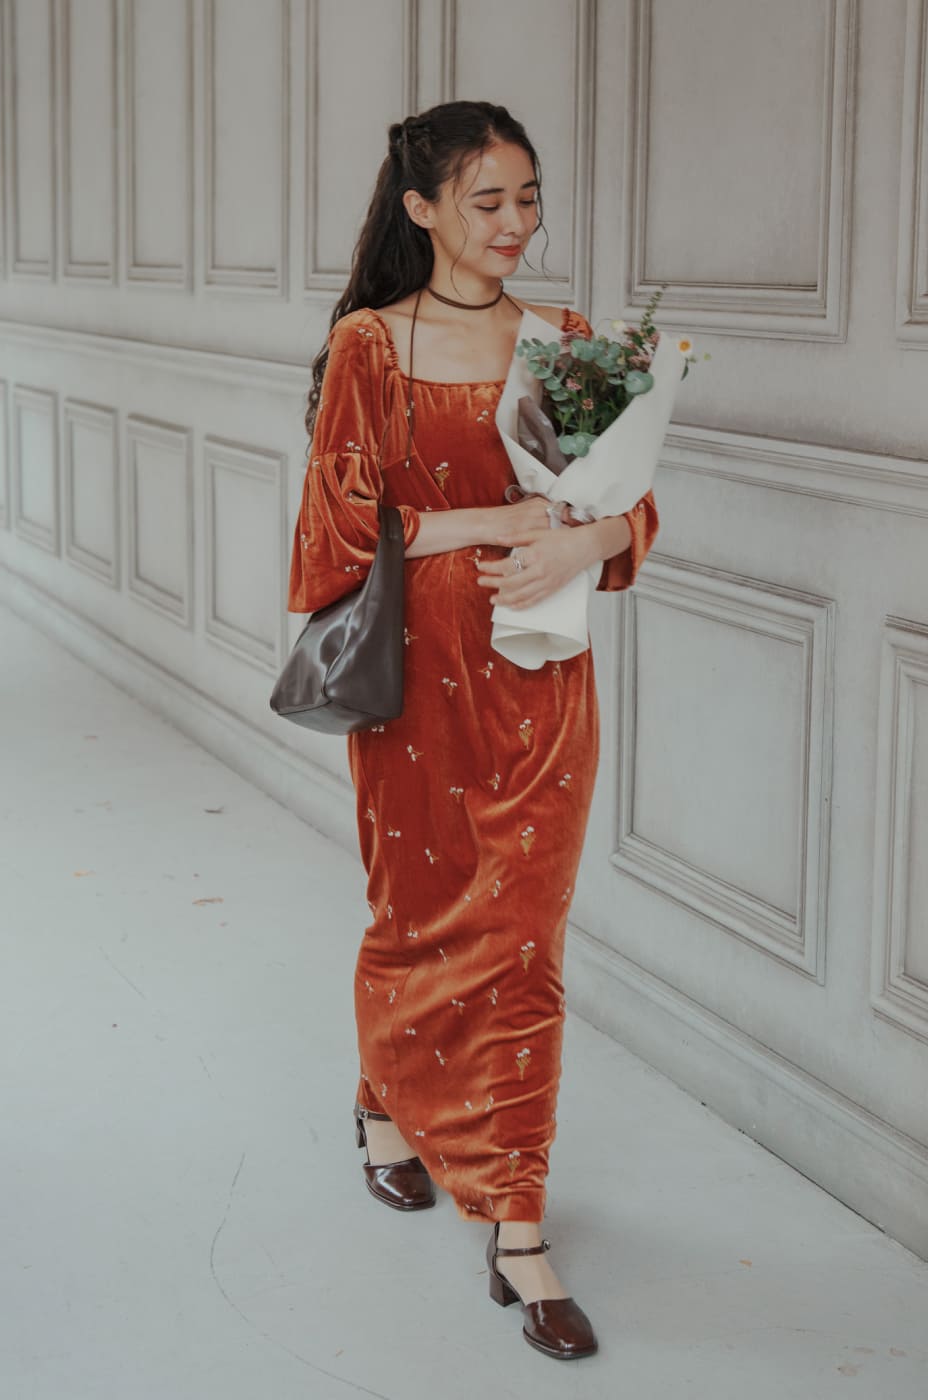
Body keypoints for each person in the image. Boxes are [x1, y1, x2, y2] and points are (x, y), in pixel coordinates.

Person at [287, 100, 659, 1361]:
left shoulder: (566, 341)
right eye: (488, 200)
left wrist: (577, 541)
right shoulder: (369, 345)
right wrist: (486, 524)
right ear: (422, 208)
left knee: (523, 934)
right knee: (418, 910)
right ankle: (385, 1099)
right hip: (418, 677)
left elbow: (632, 509)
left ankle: (516, 1219)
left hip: (541, 672)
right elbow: (336, 531)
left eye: (528, 197)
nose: (516, 223)